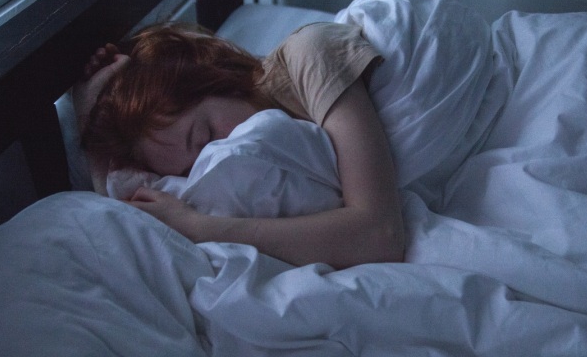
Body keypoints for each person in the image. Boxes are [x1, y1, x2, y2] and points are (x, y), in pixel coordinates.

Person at [73, 22, 404, 269]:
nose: (218, 158)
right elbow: (124, 217)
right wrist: (89, 121)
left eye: (205, 136)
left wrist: (199, 228)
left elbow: (380, 235)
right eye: (189, 170)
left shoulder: (311, 55)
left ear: (216, 78)